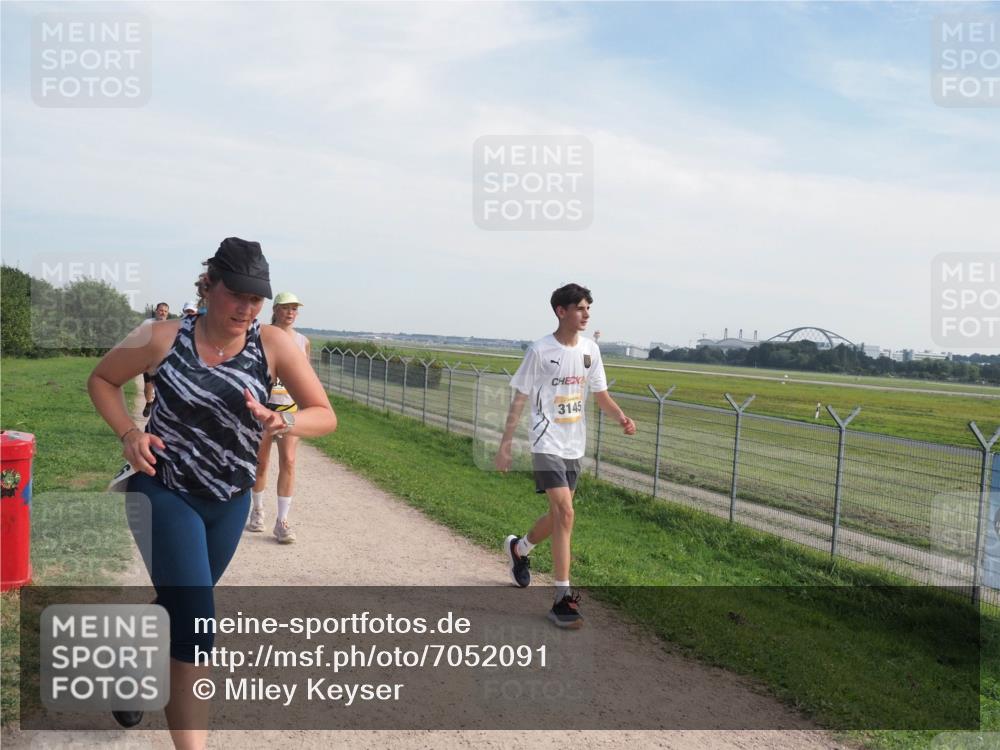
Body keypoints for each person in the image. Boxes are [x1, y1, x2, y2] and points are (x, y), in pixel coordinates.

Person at [88, 238, 336, 748]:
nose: (247, 309)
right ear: (209, 286)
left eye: (257, 299)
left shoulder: (273, 344)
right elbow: (102, 380)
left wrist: (282, 419)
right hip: (163, 489)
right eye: (237, 294)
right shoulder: (160, 337)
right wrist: (130, 433)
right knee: (197, 629)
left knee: (183, 606)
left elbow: (324, 415)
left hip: (229, 501)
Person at [495, 283, 636, 629]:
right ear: (561, 311)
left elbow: (600, 395)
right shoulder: (540, 350)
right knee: (566, 512)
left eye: (588, 309)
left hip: (574, 444)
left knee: (560, 516)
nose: (586, 314)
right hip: (545, 442)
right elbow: (519, 398)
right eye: (580, 308)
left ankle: (520, 549)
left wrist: (620, 417)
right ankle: (561, 598)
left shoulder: (591, 350)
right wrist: (505, 444)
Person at [246, 292, 311, 543]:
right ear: (275, 310)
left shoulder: (303, 341)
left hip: (290, 409)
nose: (291, 312)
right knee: (261, 462)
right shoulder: (262, 335)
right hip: (265, 406)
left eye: (295, 308)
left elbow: (307, 378)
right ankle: (257, 510)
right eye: (286, 308)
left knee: (290, 461)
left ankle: (282, 521)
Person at [141, 302, 170, 418]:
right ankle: (149, 402)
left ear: (167, 313)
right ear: (156, 311)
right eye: (161, 310)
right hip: (148, 359)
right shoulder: (148, 323)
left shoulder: (170, 326)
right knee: (148, 385)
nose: (162, 313)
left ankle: (160, 409)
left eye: (165, 311)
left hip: (164, 360)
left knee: (162, 385)